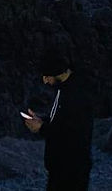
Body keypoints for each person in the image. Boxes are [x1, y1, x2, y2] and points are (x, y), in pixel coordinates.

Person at [22, 48, 94, 191]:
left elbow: (72, 132)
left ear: (57, 72)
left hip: (71, 168)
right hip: (63, 166)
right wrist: (41, 120)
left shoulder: (76, 94)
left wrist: (41, 128)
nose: (45, 80)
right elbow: (62, 122)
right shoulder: (65, 89)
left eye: (47, 75)